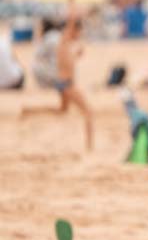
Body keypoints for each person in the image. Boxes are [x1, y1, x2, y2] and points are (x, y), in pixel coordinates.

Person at [22, 15, 94, 151]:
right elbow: (71, 21)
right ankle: (90, 148)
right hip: (67, 85)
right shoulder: (63, 39)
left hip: (64, 83)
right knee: (88, 112)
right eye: (79, 31)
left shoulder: (65, 45)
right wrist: (72, 2)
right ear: (74, 30)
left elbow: (67, 62)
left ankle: (30, 111)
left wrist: (77, 55)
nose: (80, 34)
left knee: (62, 110)